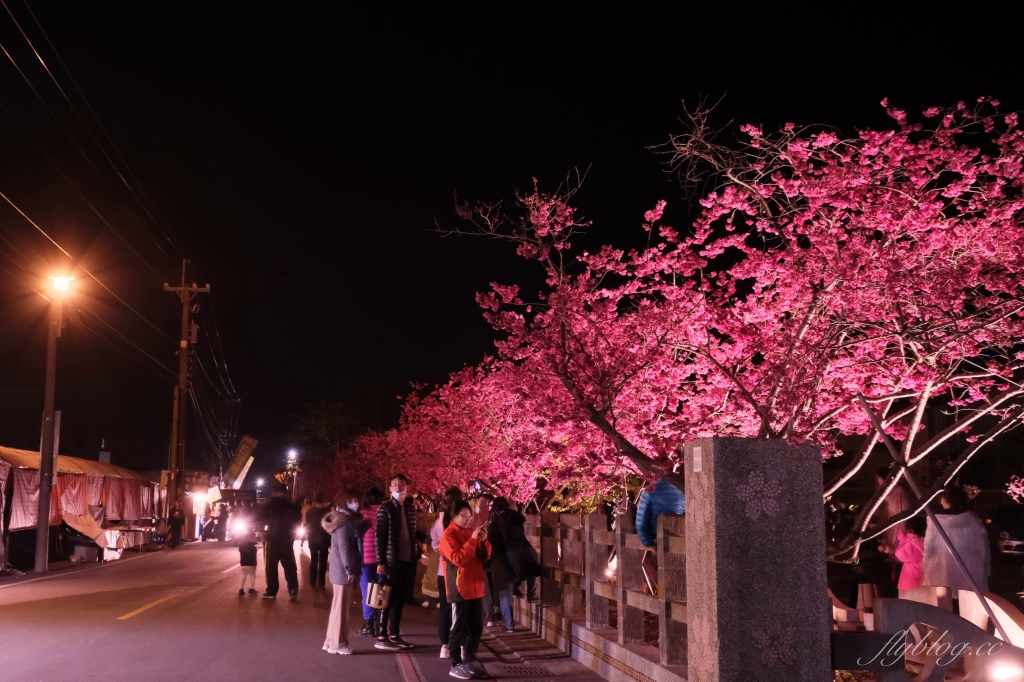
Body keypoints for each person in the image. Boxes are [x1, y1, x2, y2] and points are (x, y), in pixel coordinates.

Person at [440, 500, 491, 680]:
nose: (468, 520)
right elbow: (459, 559)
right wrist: (473, 540)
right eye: (464, 516)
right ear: (454, 516)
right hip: (459, 588)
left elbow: (485, 557)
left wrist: (483, 542)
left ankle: (469, 658)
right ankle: (455, 663)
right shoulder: (448, 536)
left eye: (470, 517)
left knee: (476, 627)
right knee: (458, 628)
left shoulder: (470, 533)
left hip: (476, 586)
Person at [922, 486, 990, 611]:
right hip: (971, 567)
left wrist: (925, 567)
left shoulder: (934, 520)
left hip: (941, 567)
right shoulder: (974, 520)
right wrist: (986, 568)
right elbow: (983, 547)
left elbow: (929, 547)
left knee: (944, 606)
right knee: (968, 608)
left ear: (945, 500)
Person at [374, 473, 421, 651]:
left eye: (402, 484)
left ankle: (394, 634)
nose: (399, 487)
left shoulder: (410, 509)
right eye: (395, 484)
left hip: (407, 560)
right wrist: (381, 561)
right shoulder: (385, 509)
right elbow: (379, 537)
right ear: (390, 488)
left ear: (407, 487)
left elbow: (413, 533)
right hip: (391, 561)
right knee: (386, 598)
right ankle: (381, 636)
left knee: (400, 599)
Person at [321, 489, 364, 656]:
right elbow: (344, 548)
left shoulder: (340, 519)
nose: (355, 503)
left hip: (339, 568)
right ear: (342, 502)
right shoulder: (344, 521)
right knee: (341, 608)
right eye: (350, 500)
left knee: (337, 607)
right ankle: (338, 644)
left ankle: (330, 641)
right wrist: (349, 569)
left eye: (355, 499)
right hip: (343, 569)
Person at [488, 496, 538, 631]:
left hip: (503, 562)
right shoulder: (517, 520)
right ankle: (531, 595)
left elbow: (491, 545)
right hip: (520, 558)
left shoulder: (494, 527)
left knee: (505, 593)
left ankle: (510, 625)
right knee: (532, 569)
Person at [255, 482, 302, 601]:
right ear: (285, 492)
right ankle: (293, 589)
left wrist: (262, 534)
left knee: (271, 566)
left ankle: (271, 591)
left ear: (273, 492)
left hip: (271, 539)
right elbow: (298, 522)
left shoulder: (267, 506)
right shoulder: (292, 507)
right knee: (290, 565)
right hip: (287, 540)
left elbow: (259, 520)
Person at [431, 486, 464, 658]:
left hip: (443, 571)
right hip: (460, 572)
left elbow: (435, 544)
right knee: (459, 610)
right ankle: (459, 645)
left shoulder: (439, 521)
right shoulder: (460, 520)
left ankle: (445, 646)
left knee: (445, 609)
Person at [357, 487, 385, 637]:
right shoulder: (384, 513)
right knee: (381, 592)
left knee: (367, 592)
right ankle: (381, 624)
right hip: (382, 561)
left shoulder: (362, 515)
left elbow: (357, 539)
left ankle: (369, 624)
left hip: (366, 560)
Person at [635, 478, 686, 549]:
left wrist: (648, 544)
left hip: (657, 538)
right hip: (680, 538)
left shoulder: (650, 490)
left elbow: (641, 522)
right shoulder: (683, 489)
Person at [892, 515, 928, 601]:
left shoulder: (913, 543)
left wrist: (903, 540)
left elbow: (900, 554)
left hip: (910, 581)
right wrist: (905, 539)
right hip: (923, 579)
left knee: (908, 608)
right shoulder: (926, 540)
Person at [305, 492, 331, 590]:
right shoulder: (328, 512)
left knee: (314, 560)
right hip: (325, 539)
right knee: (323, 561)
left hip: (313, 539)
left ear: (315, 501)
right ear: (324, 500)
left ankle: (312, 581)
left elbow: (307, 525)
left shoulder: (310, 512)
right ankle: (321, 583)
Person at [238, 528, 258, 595]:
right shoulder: (252, 547)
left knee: (243, 576)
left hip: (243, 564)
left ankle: (241, 589)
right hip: (250, 564)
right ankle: (251, 588)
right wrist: (255, 564)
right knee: (252, 575)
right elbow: (253, 557)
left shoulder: (241, 546)